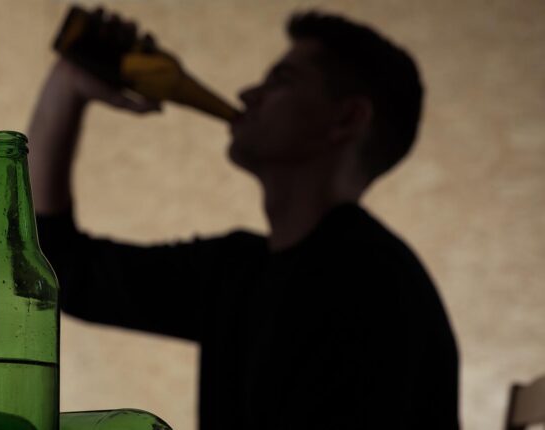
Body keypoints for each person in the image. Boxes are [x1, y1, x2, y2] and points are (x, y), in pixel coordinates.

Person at [28, 10, 460, 429]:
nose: (247, 94)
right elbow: (61, 269)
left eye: (281, 81)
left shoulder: (371, 286)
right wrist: (68, 84)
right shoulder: (239, 271)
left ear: (346, 119)